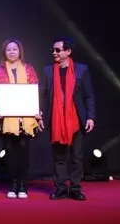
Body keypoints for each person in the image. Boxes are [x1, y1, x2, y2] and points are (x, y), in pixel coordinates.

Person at [39, 37, 96, 201]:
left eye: (58, 50)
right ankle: (61, 188)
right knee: (59, 157)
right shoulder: (48, 71)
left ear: (68, 51)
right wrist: (40, 114)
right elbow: (43, 95)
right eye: (53, 50)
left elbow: (88, 95)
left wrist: (91, 116)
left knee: (77, 157)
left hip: (76, 119)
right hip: (56, 119)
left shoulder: (81, 70)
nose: (54, 53)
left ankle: (76, 188)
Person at [0, 40, 40, 199]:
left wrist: (36, 110)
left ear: (20, 51)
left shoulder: (29, 69)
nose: (11, 52)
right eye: (8, 50)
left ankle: (23, 185)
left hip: (25, 118)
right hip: (7, 119)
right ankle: (12, 185)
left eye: (14, 49)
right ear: (4, 52)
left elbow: (34, 90)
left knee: (23, 153)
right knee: (10, 153)